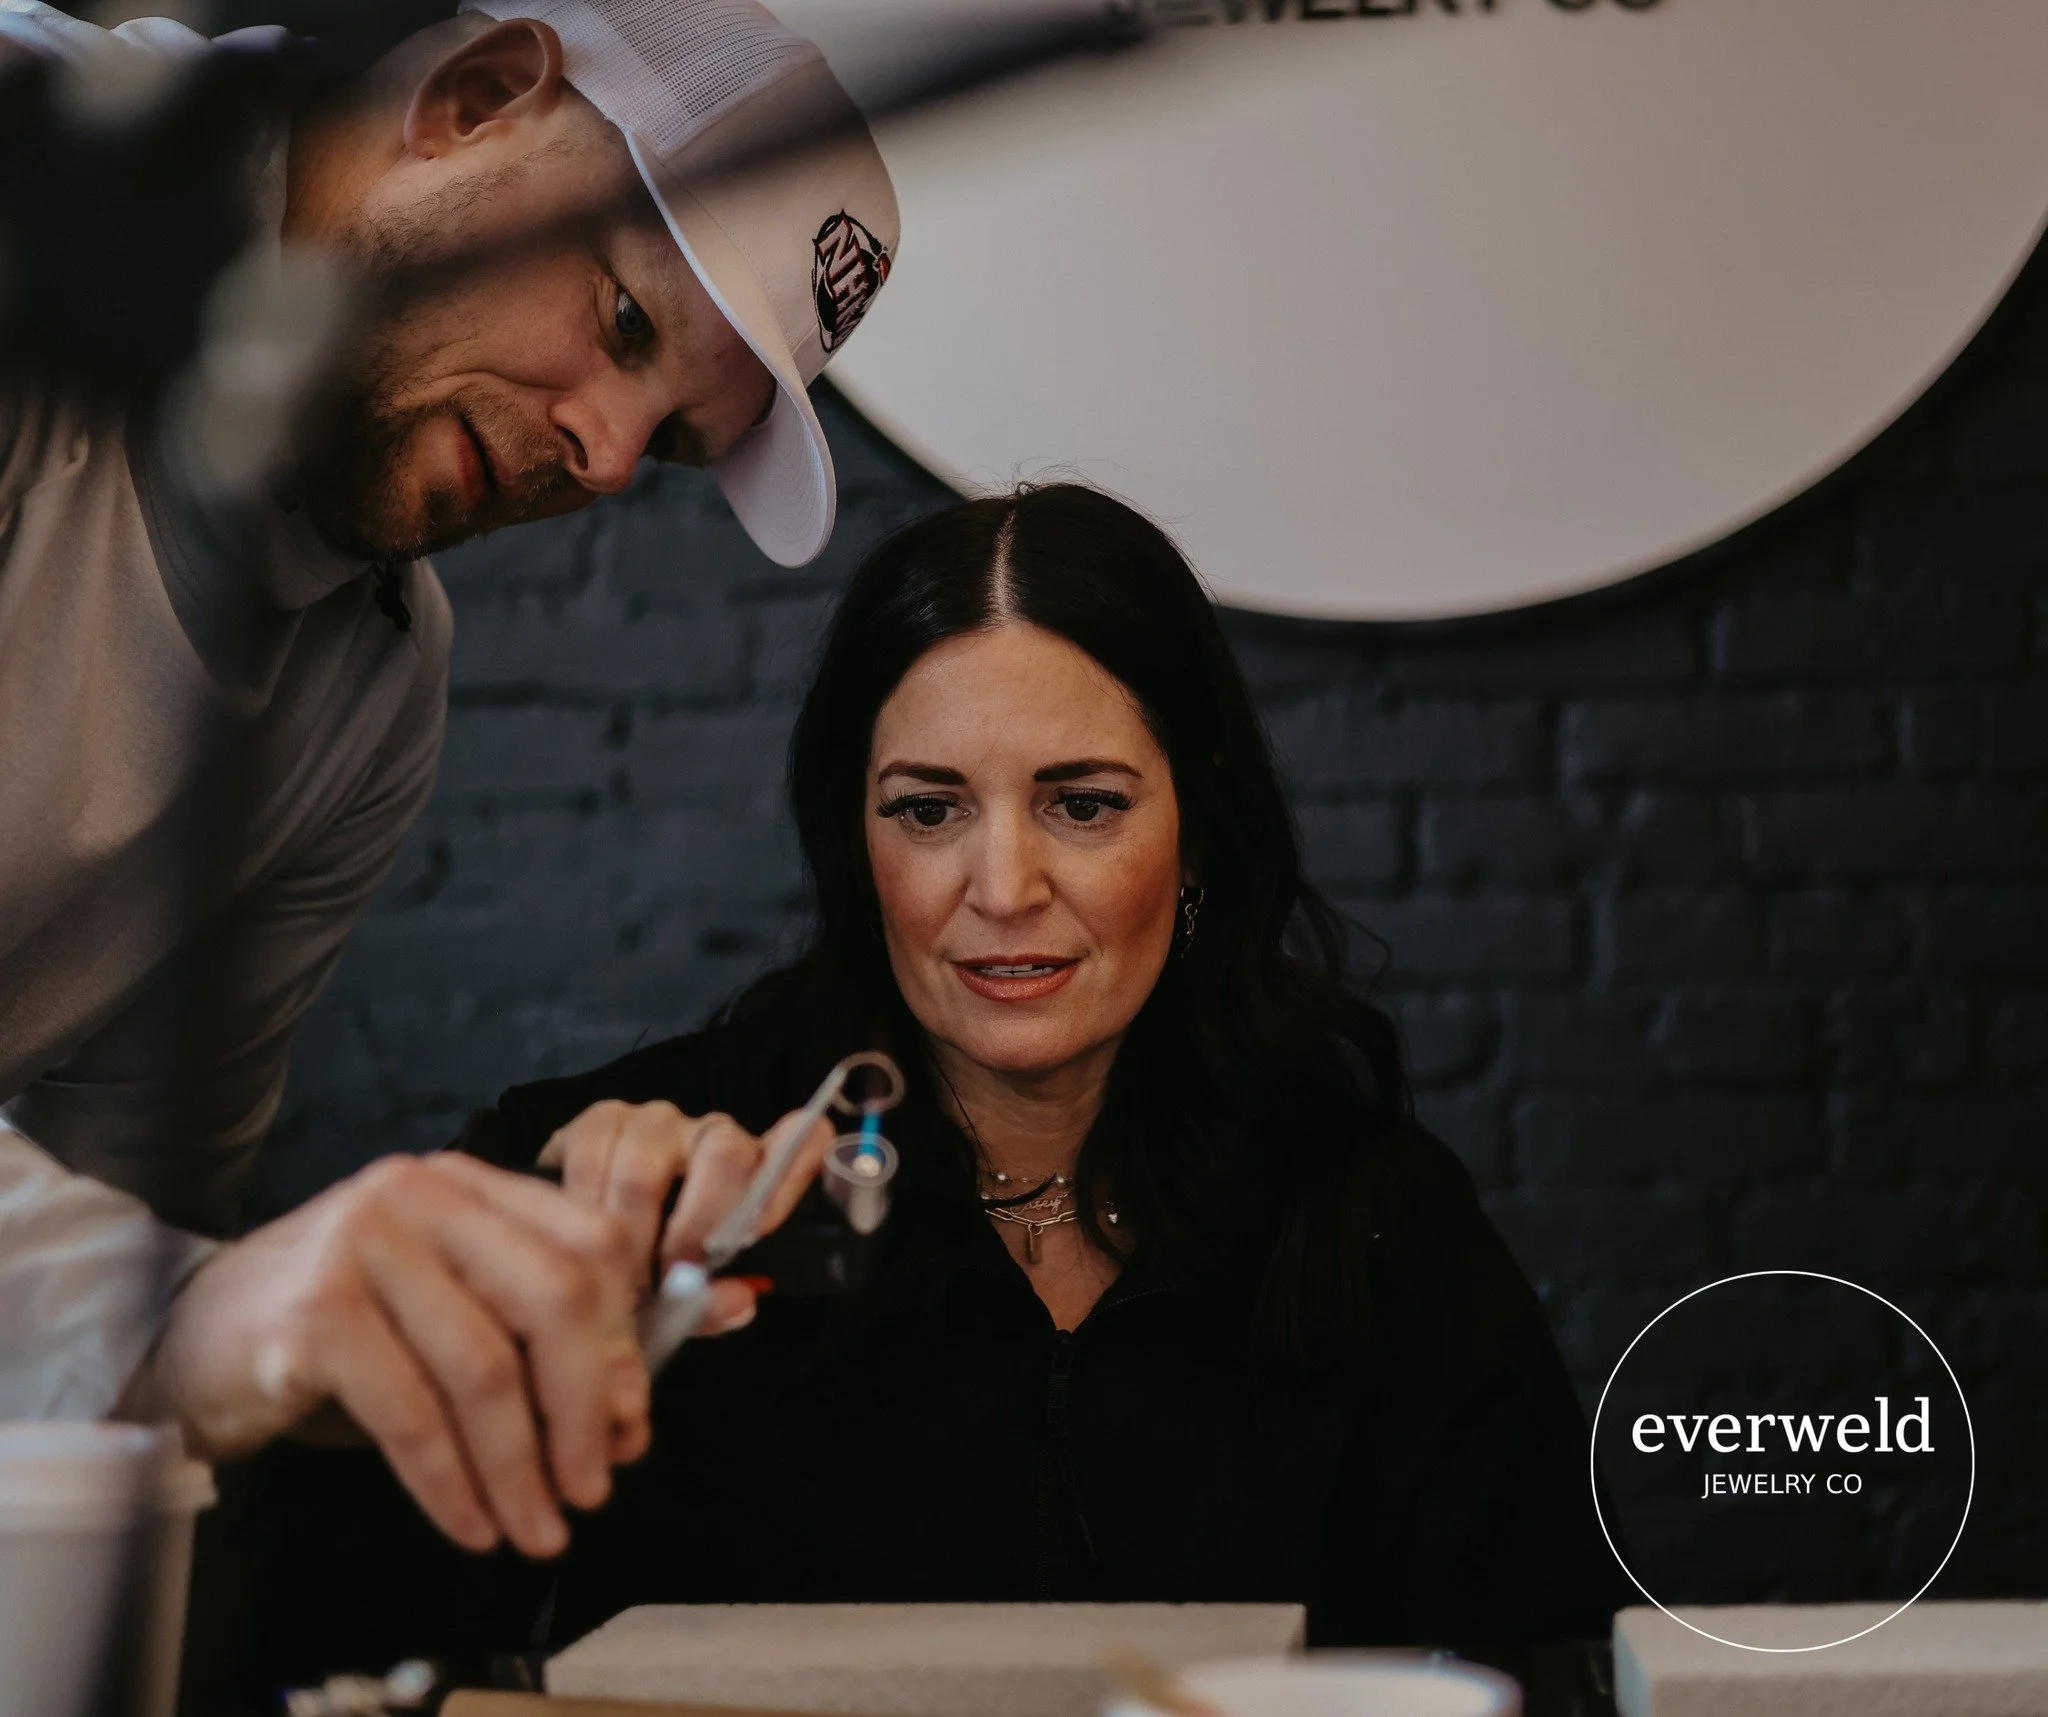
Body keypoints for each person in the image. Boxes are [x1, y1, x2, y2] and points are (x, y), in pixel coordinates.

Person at [232, 485, 1619, 1689]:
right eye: (928, 809)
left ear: (1195, 835)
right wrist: (528, 1299)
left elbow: (1553, 1664)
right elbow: (314, 1648)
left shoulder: (1368, 1216)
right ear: (859, 841)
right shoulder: (640, 1180)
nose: (1002, 890)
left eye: (1083, 804)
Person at [0, 0, 899, 1561]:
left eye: (672, 444)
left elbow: (125, 1266)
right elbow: (150, 1319)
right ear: (472, 98)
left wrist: (402, 1326)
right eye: (623, 322)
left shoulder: (373, 692)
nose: (609, 460)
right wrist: (193, 1320)